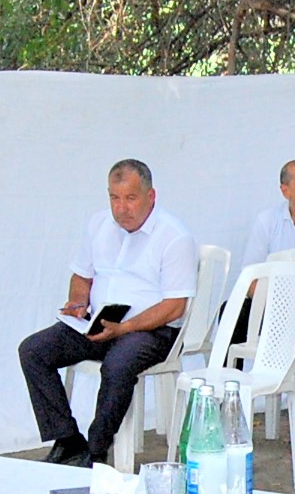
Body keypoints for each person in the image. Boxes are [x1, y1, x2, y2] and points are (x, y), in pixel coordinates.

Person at [18, 159, 197, 467]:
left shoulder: (174, 237)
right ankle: (68, 440)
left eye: (130, 198)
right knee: (34, 350)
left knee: (117, 364)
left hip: (153, 329)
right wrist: (78, 301)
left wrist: (124, 329)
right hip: (101, 322)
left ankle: (96, 450)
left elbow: (174, 307)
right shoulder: (99, 224)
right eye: (114, 198)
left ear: (150, 196)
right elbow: (82, 275)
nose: (121, 208)